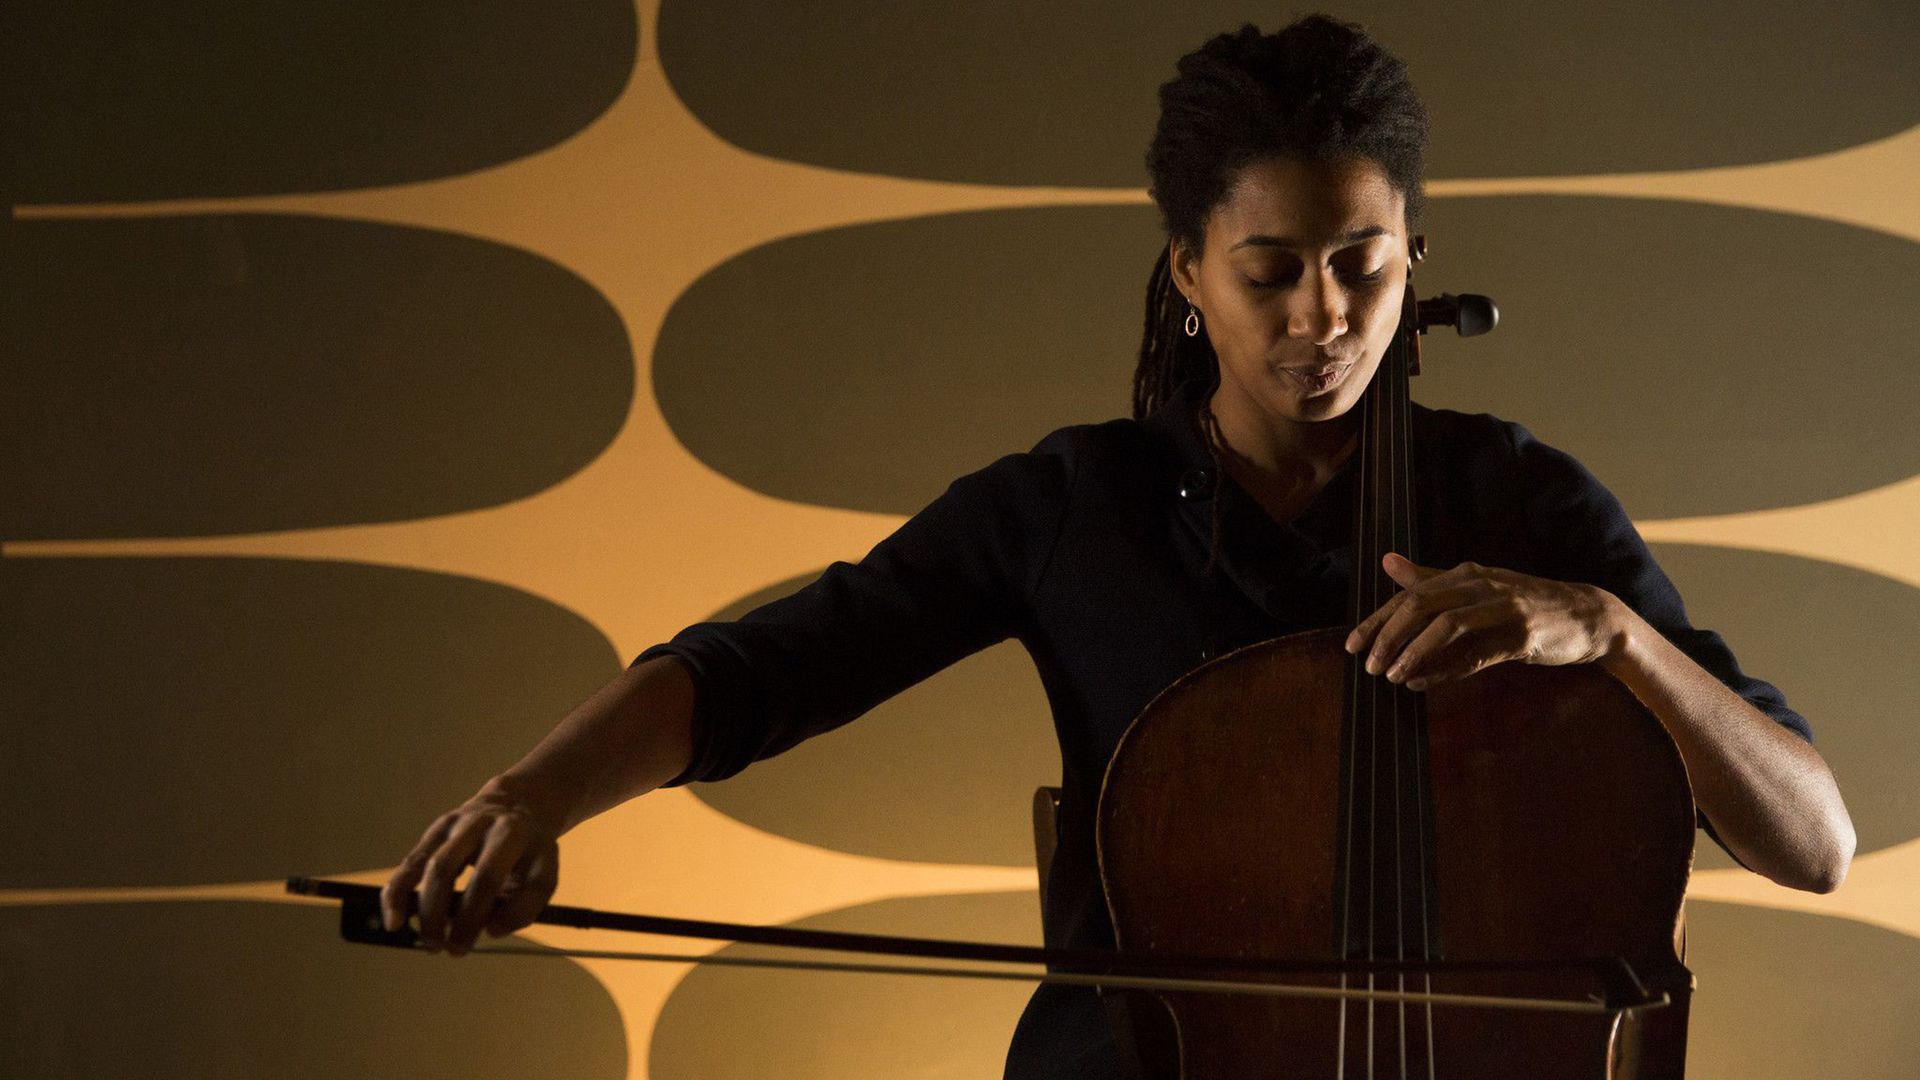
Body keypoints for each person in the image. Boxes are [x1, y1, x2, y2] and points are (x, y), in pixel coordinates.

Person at [380, 15, 1855, 1077]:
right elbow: (770, 667)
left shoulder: (1523, 506)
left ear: (1417, 254)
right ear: (1190, 273)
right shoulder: (1077, 504)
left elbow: (1815, 842)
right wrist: (532, 797)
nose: (1323, 316)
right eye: (1271, 272)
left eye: (1364, 263)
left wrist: (1614, 632)